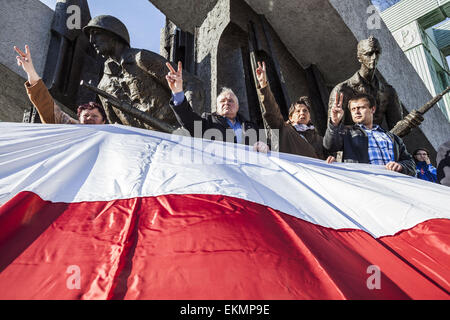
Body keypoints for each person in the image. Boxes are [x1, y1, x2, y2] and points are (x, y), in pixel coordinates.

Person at [83, 15, 204, 132]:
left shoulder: (141, 58)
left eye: (96, 34)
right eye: (89, 36)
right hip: (143, 146)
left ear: (114, 35)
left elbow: (192, 84)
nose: (91, 40)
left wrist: (190, 126)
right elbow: (116, 126)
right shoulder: (103, 86)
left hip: (178, 136)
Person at [166, 61, 269, 152]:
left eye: (230, 101)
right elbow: (187, 118)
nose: (226, 103)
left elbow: (271, 148)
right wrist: (178, 91)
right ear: (217, 107)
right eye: (222, 101)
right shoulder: (208, 121)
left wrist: (266, 147)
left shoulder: (252, 127)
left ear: (237, 107)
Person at [324, 91, 416, 176]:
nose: (356, 112)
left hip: (394, 183)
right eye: (353, 109)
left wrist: (401, 166)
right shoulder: (346, 133)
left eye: (361, 107)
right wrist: (334, 123)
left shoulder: (392, 137)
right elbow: (330, 146)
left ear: (372, 109)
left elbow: (410, 163)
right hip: (365, 183)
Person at [14, 45, 106, 125]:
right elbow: (47, 106)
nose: (89, 118)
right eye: (86, 115)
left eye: (95, 116)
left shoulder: (114, 135)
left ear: (103, 121)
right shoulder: (69, 126)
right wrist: (30, 71)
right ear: (79, 119)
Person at [328, 36, 405, 130]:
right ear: (359, 58)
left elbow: (397, 130)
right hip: (352, 142)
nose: (374, 57)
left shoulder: (389, 92)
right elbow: (333, 130)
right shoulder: (342, 90)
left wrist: (407, 125)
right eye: (369, 54)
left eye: (377, 53)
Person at [254, 61, 324, 159]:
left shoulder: (319, 140)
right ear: (290, 117)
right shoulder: (284, 130)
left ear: (310, 117)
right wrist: (263, 85)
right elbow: (272, 111)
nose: (302, 113)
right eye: (298, 111)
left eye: (305, 111)